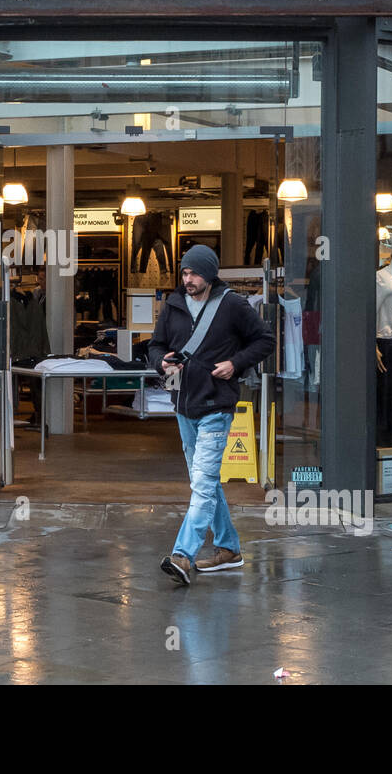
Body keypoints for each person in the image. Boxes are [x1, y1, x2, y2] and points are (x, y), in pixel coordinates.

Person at [148, 245, 276, 585]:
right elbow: (155, 345)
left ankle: (182, 556)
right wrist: (160, 361)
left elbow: (265, 340)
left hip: (217, 407)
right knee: (203, 482)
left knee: (202, 484)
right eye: (185, 273)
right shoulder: (174, 305)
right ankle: (229, 549)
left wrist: (236, 364)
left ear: (210, 274)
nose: (188, 280)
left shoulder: (232, 305)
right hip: (184, 407)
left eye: (194, 274)